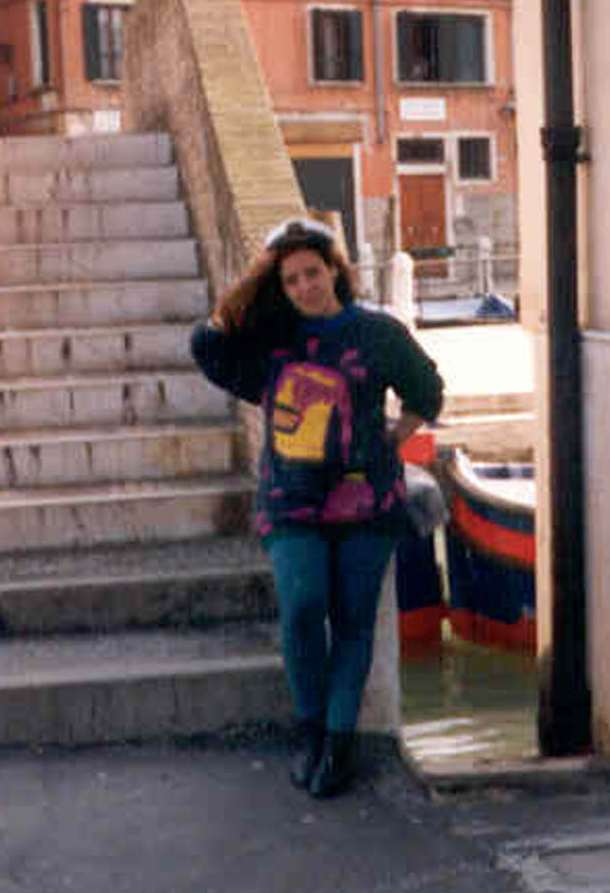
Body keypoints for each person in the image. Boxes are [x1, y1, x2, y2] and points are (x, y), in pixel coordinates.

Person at [190, 218, 444, 798]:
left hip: (367, 502)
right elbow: (206, 345)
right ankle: (309, 731)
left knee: (354, 623)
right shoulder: (273, 340)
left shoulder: (376, 332)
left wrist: (393, 437)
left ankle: (338, 743)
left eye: (312, 272)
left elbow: (426, 389)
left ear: (334, 270)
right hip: (291, 502)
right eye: (291, 279)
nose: (305, 286)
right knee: (303, 608)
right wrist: (248, 293)